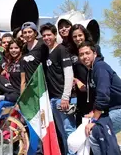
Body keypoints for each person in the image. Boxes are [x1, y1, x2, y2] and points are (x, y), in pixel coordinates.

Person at [77, 41, 121, 154]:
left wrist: (94, 120)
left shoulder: (100, 67)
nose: (84, 57)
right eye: (81, 54)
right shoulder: (92, 70)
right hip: (117, 109)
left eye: (87, 53)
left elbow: (103, 96)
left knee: (95, 132)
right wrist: (93, 113)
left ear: (95, 54)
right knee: (101, 135)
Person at [40, 23, 76, 155]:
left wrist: (66, 97)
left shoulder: (61, 50)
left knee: (69, 131)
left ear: (55, 35)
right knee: (61, 131)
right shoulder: (47, 53)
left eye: (49, 34)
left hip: (63, 98)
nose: (46, 37)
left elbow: (69, 73)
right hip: (53, 99)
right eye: (44, 35)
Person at [68, 24, 103, 127]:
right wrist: (76, 81)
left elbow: (98, 67)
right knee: (81, 123)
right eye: (74, 36)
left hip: (94, 90)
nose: (78, 38)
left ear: (85, 35)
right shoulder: (70, 52)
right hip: (81, 93)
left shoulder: (95, 48)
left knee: (96, 125)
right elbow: (69, 71)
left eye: (80, 35)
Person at [20, 22, 48, 93]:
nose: (27, 35)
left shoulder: (42, 46)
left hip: (42, 86)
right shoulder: (24, 49)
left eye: (30, 32)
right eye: (25, 32)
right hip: (30, 88)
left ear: (35, 33)